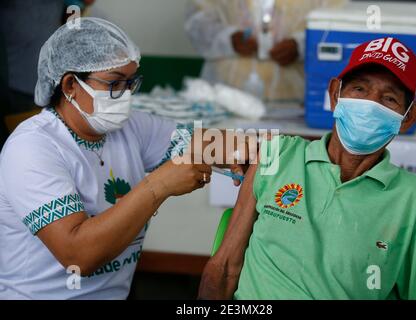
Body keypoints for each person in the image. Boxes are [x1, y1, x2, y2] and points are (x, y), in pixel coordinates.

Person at [0, 17, 254, 299]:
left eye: (131, 82)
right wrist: (158, 185)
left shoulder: (128, 128)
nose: (125, 96)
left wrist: (253, 150)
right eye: (114, 83)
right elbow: (78, 255)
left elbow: (204, 143)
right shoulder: (33, 147)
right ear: (70, 85)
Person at [199, 37, 416, 300]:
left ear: (407, 118)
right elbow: (225, 267)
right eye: (360, 89)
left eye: (388, 98)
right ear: (334, 94)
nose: (371, 104)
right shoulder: (278, 155)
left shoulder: (413, 199)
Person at [185, 0, 346, 102]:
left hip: (295, 100)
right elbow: (197, 21)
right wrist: (228, 39)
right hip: (225, 97)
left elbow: (339, 24)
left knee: (288, 151)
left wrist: (301, 45)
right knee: (226, 151)